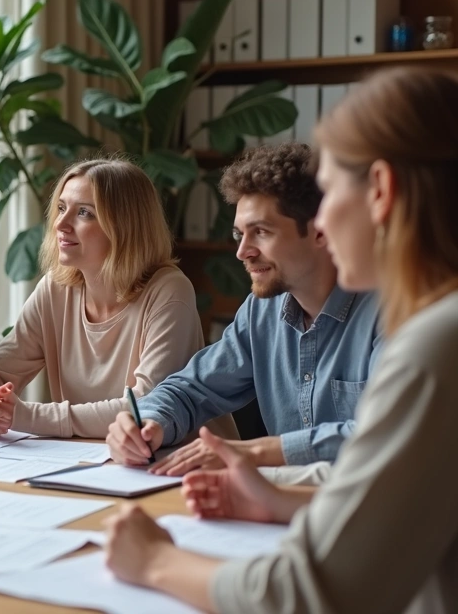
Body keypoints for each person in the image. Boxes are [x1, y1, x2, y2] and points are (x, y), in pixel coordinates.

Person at [102, 66, 458, 614]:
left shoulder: (436, 341)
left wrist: (154, 561)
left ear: (381, 191)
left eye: (333, 191)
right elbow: (395, 488)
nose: (326, 223)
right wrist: (278, 496)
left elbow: (318, 593)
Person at [106, 143, 382, 475]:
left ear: (319, 231)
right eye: (239, 234)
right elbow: (194, 387)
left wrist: (252, 452)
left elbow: (383, 436)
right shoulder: (261, 310)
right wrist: (148, 422)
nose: (242, 252)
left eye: (261, 232)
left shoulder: (390, 311)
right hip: (276, 508)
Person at [0, 158, 237, 440]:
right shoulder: (54, 289)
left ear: (125, 226)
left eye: (84, 213)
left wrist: (27, 416)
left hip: (189, 467)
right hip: (94, 461)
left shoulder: (169, 291)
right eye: (61, 208)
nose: (61, 224)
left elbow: (147, 407)